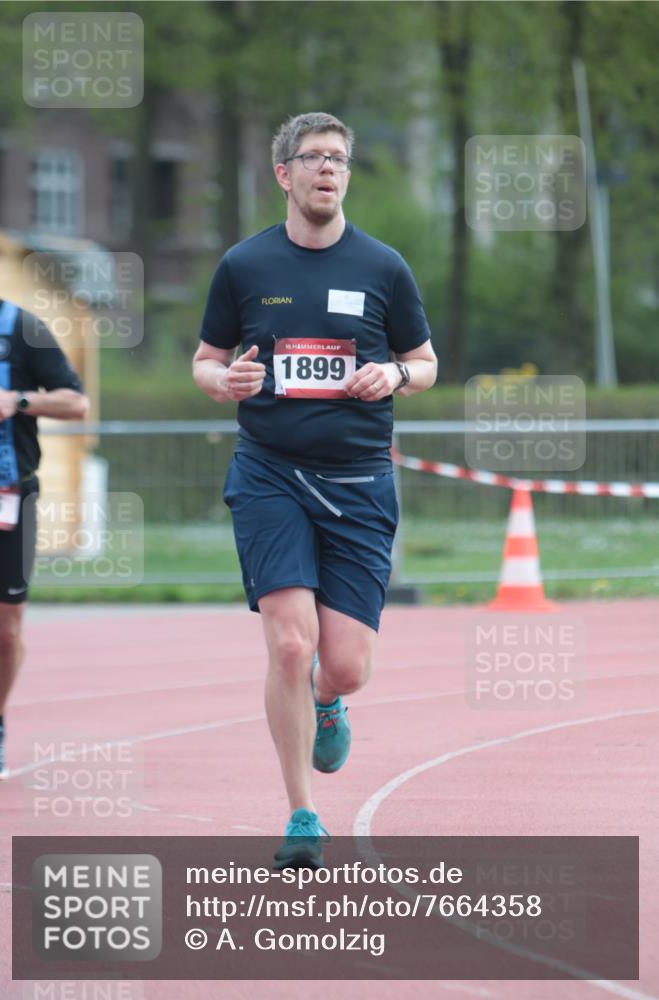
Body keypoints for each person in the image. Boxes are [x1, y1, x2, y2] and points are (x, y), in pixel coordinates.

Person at [193, 112, 437, 867]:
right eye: (314, 158)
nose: (328, 169)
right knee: (290, 644)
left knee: (343, 666)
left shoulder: (383, 267)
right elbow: (204, 360)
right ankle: (302, 815)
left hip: (360, 481)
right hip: (269, 472)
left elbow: (425, 362)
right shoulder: (244, 266)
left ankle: (328, 703)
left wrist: (392, 374)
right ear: (284, 175)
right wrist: (222, 380)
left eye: (338, 159)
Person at [0, 249, 89, 780]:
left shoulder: (23, 328)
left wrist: (17, 401)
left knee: (4, 629)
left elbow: (77, 403)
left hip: (10, 495)